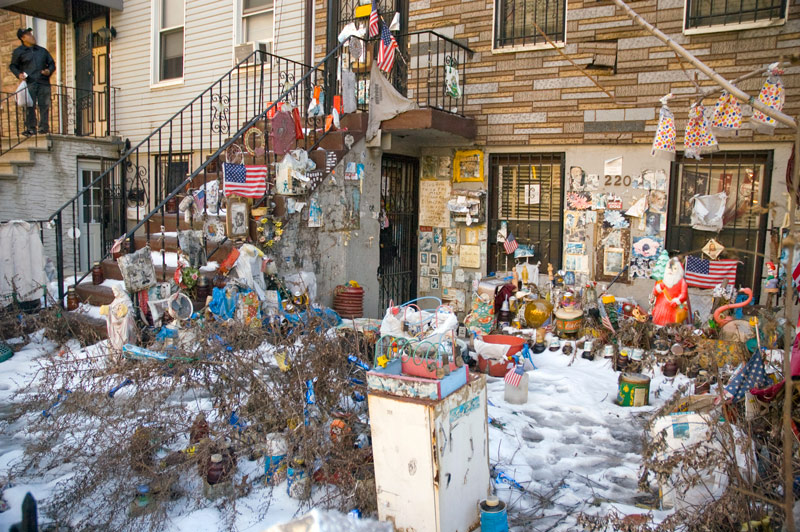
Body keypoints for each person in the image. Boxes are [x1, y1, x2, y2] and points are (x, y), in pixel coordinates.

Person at [9, 27, 56, 136]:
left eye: (31, 34)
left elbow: (52, 63)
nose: (32, 36)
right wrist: (19, 74)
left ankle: (43, 127)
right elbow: (13, 66)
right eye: (28, 35)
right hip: (29, 82)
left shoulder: (42, 50)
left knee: (44, 105)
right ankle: (31, 128)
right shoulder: (19, 52)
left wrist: (48, 71)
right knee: (30, 106)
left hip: (43, 82)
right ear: (23, 38)